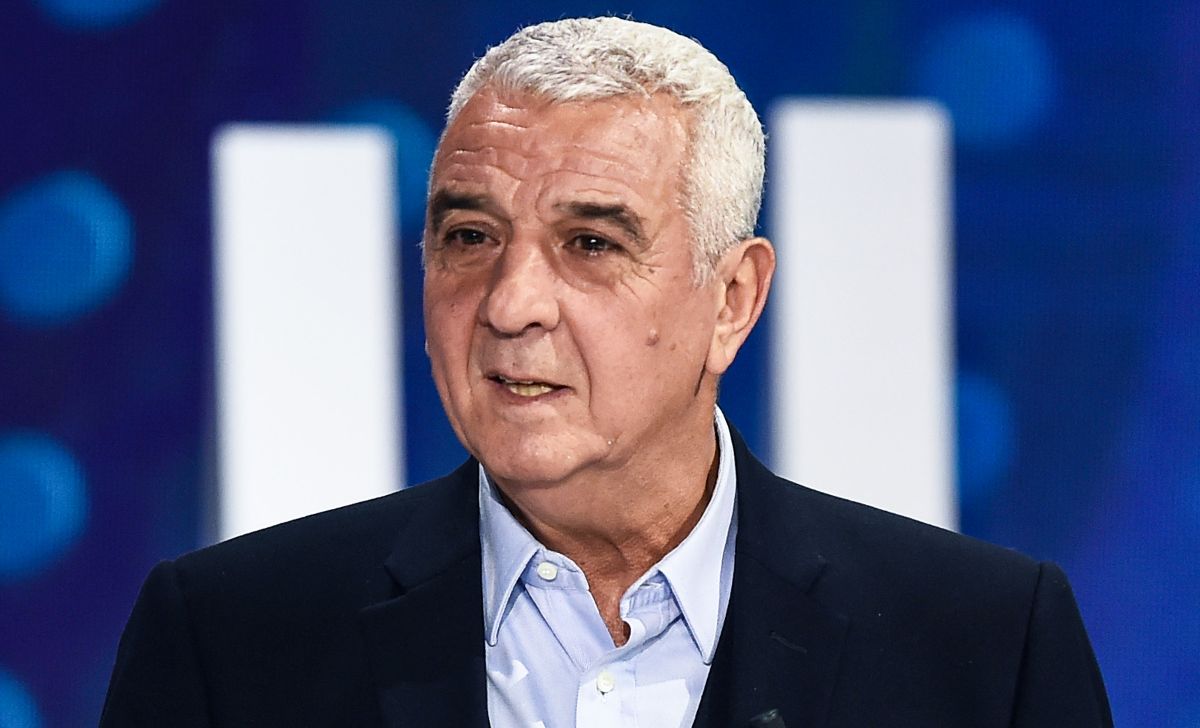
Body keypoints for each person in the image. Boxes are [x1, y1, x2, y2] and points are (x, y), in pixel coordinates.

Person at [101, 17, 1112, 728]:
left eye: (590, 243)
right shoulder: (228, 640)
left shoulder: (986, 649)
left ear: (732, 299)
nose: (509, 304)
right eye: (469, 236)